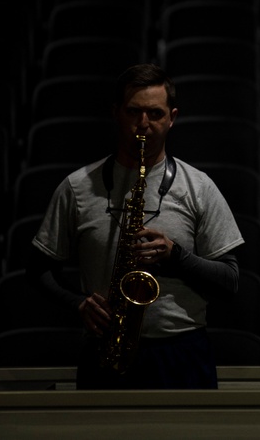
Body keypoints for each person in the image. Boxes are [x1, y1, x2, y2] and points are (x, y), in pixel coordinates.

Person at [27, 63, 244, 389]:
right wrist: (79, 304)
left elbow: (230, 282)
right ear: (116, 113)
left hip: (180, 352)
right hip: (104, 347)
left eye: (155, 114)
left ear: (172, 117)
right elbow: (38, 270)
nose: (143, 124)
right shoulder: (77, 187)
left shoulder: (199, 187)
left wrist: (176, 257)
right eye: (134, 112)